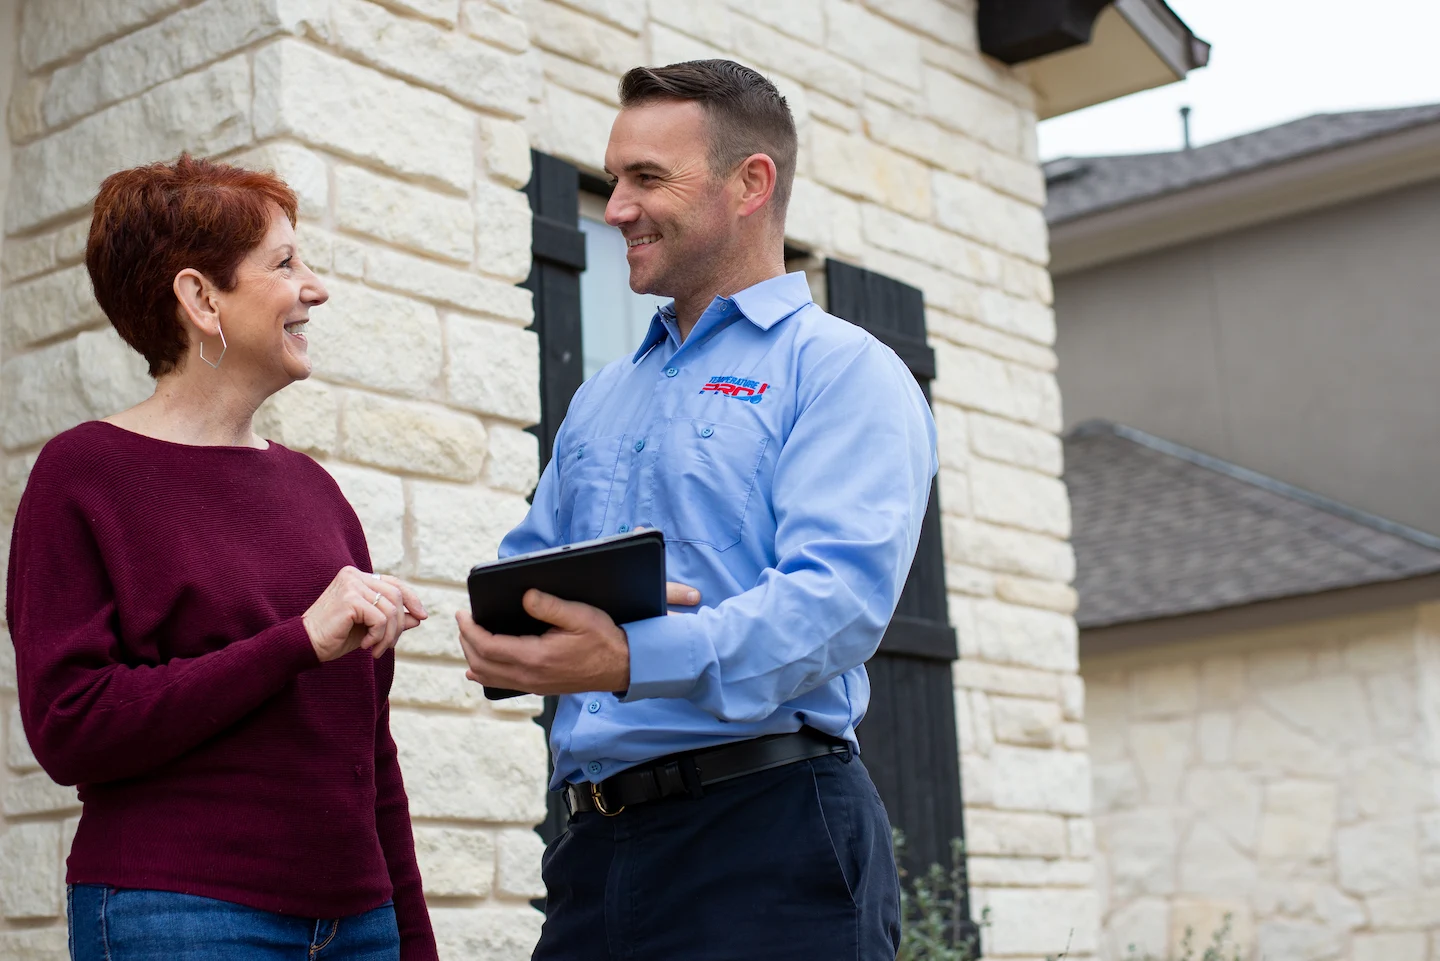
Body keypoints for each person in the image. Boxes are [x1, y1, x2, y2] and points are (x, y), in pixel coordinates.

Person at [456, 60, 937, 960]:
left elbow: (834, 605)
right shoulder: (602, 398)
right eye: (614, 179)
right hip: (593, 853)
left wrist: (632, 654)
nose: (615, 208)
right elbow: (532, 569)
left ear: (751, 183)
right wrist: (506, 637)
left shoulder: (844, 370)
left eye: (647, 179)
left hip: (769, 840)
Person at [6, 156, 438, 961]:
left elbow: (366, 749)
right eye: (285, 263)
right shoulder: (83, 474)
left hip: (361, 921)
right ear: (202, 298)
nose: (317, 287)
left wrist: (412, 939)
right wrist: (295, 641)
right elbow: (70, 726)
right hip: (183, 913)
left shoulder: (316, 491)